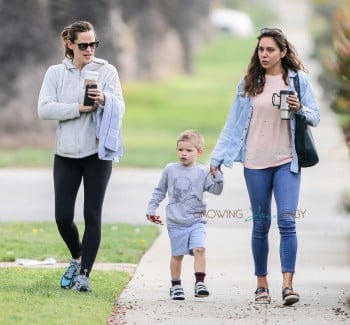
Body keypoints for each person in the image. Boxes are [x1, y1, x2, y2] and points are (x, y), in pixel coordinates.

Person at [210, 28, 320, 305]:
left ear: (283, 52)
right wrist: (217, 158)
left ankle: (288, 286)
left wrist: (299, 109)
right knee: (260, 223)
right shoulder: (249, 82)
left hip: (286, 161)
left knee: (287, 221)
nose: (264, 54)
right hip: (255, 163)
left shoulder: (298, 80)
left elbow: (315, 116)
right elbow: (232, 123)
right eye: (261, 49)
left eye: (270, 49)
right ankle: (261, 285)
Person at [38, 21, 125, 292]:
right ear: (70, 44)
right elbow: (44, 109)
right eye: (84, 45)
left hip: (97, 153)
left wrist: (105, 100)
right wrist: (79, 108)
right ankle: (77, 258)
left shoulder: (106, 70)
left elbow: (120, 105)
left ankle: (85, 275)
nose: (89, 50)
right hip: (65, 153)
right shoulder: (55, 73)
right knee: (62, 216)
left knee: (92, 214)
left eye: (93, 44)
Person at [146, 130, 224, 300]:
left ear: (199, 152)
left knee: (199, 249)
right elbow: (160, 190)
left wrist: (219, 177)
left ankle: (200, 282)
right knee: (177, 254)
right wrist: (152, 208)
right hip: (176, 222)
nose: (184, 153)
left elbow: (216, 190)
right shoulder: (170, 169)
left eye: (189, 150)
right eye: (180, 149)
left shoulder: (203, 172)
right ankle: (176, 285)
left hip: (197, 220)